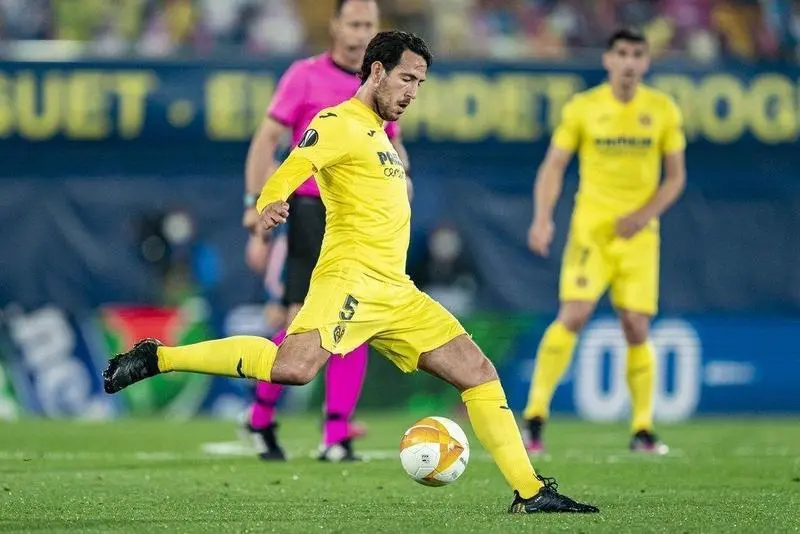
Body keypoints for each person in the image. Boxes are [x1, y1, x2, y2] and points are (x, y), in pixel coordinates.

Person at [104, 30, 598, 514]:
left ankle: (531, 492)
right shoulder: (339, 121)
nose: (412, 93)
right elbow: (297, 159)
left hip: (396, 291)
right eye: (406, 79)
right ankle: (160, 358)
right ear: (377, 70)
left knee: (478, 372)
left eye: (420, 84)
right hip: (351, 281)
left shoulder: (380, 135)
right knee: (293, 368)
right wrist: (271, 199)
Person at [241, 0, 409, 461]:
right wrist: (254, 210)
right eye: (354, 24)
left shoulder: (377, 85)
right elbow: (267, 142)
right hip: (311, 211)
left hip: (359, 218)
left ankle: (334, 434)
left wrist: (403, 180)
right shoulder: (305, 76)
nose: (360, 33)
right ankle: (261, 417)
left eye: (369, 25)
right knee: (302, 324)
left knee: (354, 322)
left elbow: (393, 145)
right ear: (335, 26)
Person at [522, 28, 686, 455]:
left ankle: (643, 428)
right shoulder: (584, 107)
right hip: (591, 231)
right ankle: (534, 417)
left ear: (646, 63)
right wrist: (542, 218)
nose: (629, 62)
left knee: (635, 325)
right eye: (622, 54)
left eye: (637, 55)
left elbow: (676, 178)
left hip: (640, 236)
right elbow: (554, 166)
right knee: (574, 314)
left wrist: (642, 216)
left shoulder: (662, 110)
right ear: (608, 60)